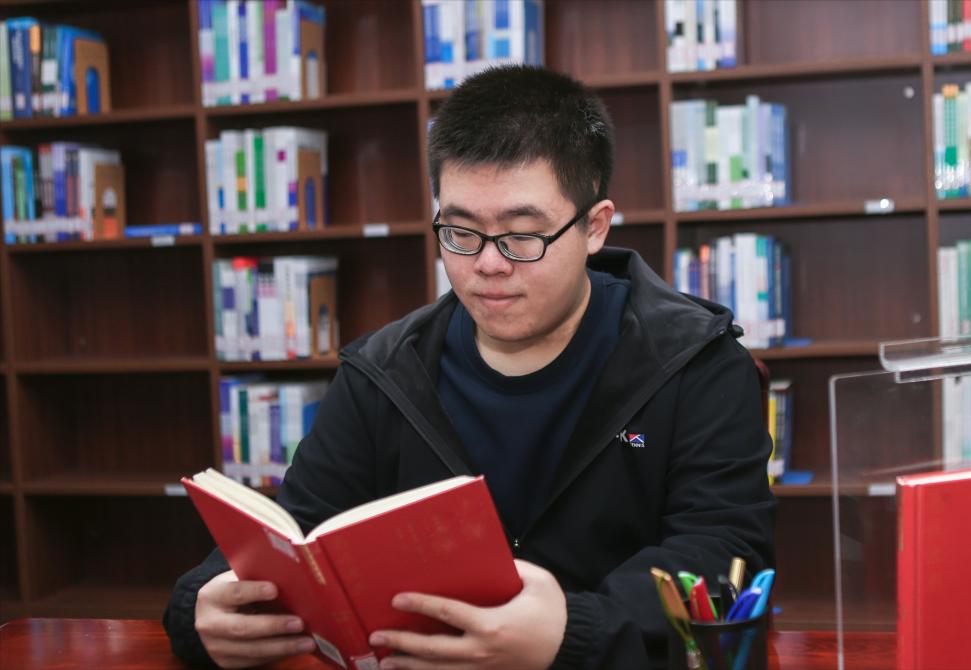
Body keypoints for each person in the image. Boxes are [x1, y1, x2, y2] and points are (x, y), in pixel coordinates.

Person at [164, 64, 775, 669]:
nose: (487, 264)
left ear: (594, 227)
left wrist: (570, 634)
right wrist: (199, 608)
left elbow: (724, 553)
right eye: (460, 232)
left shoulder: (695, 361)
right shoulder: (384, 371)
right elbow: (295, 529)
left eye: (521, 235)